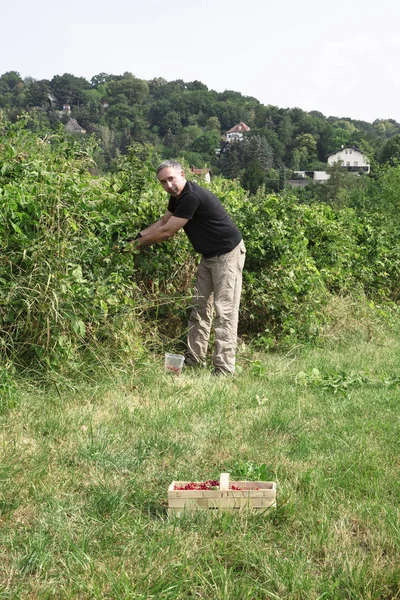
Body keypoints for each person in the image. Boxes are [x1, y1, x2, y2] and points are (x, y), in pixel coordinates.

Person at [134, 160, 246, 375]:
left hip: (227, 255)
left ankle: (223, 369)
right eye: (163, 182)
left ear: (182, 174)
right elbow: (163, 222)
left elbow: (167, 232)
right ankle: (194, 361)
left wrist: (136, 246)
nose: (168, 185)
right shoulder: (177, 198)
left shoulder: (191, 196)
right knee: (200, 308)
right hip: (208, 256)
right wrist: (136, 237)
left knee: (225, 312)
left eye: (171, 179)